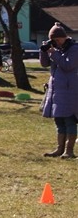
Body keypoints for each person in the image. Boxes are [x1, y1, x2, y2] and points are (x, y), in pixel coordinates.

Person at [40, 23, 78, 159]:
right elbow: (44, 64)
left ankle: (69, 150)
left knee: (69, 120)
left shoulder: (74, 49)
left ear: (64, 37)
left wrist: (53, 52)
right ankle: (59, 149)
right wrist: (44, 51)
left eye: (58, 40)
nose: (56, 42)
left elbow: (67, 65)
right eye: (54, 40)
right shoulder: (56, 50)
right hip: (56, 90)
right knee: (59, 120)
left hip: (70, 91)